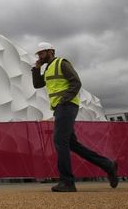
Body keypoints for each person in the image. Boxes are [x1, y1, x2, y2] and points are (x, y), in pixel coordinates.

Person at [31, 42, 119, 192]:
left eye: (41, 53)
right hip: (60, 107)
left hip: (66, 105)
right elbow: (38, 85)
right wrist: (36, 68)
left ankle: (67, 182)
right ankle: (108, 165)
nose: (39, 56)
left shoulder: (61, 63)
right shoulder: (47, 68)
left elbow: (76, 82)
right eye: (38, 54)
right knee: (72, 144)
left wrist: (64, 99)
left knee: (59, 141)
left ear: (50, 51)